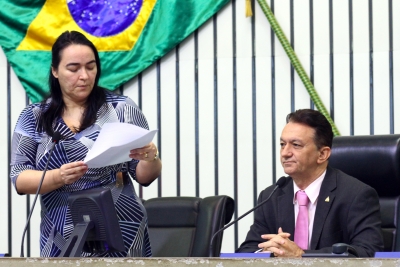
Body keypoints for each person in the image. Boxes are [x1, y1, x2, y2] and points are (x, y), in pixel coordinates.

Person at [9, 30, 161, 257]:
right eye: (73, 68)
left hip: (123, 230)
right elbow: (19, 178)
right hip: (62, 235)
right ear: (55, 71)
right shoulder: (34, 117)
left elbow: (145, 176)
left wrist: (151, 158)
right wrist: (57, 177)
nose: (85, 76)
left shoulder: (121, 108)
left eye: (91, 67)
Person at [236, 109, 383, 257]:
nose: (285, 153)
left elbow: (368, 252)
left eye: (296, 145)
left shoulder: (355, 195)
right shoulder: (271, 196)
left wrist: (301, 256)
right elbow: (246, 251)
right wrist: (267, 251)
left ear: (322, 154)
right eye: (282, 144)